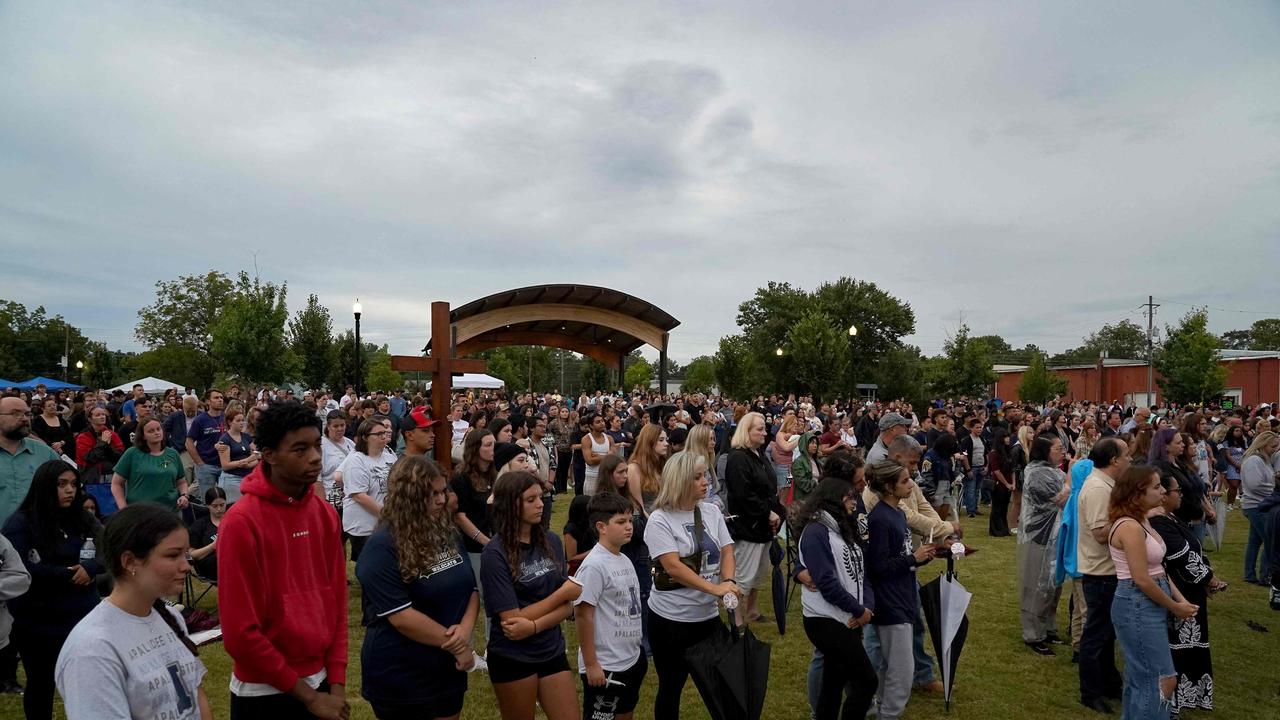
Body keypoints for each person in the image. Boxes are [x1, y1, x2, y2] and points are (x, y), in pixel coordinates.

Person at [218, 402, 349, 720]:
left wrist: (336, 686)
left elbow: (337, 604)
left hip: (320, 683)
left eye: (317, 444)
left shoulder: (325, 513)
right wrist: (309, 698)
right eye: (300, 449)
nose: (316, 457)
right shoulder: (241, 522)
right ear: (269, 455)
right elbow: (240, 634)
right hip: (264, 693)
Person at [54, 502, 212, 719]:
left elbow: (196, 695)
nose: (186, 565)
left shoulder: (171, 617)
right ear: (129, 562)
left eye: (185, 554)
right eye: (173, 555)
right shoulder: (92, 650)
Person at [355, 456, 479, 720]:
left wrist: (466, 631)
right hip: (401, 669)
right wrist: (457, 645)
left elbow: (470, 587)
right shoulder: (382, 547)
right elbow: (401, 616)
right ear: (408, 496)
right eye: (431, 493)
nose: (441, 500)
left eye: (443, 491)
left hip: (446, 664)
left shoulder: (444, 531)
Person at [2, 461, 104, 720]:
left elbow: (109, 547)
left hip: (82, 615)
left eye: (73, 484)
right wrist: (66, 574)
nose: (69, 490)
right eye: (61, 484)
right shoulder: (21, 523)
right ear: (45, 486)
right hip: (39, 619)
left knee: (88, 682)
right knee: (42, 683)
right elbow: (18, 568)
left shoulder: (82, 518)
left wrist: (91, 568)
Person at [644, 450, 737, 720]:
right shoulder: (659, 519)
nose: (705, 481)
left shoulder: (710, 511)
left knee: (724, 687)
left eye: (705, 475)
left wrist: (728, 582)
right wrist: (715, 589)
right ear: (680, 481)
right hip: (670, 621)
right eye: (697, 477)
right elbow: (673, 566)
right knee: (671, 687)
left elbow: (727, 549)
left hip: (707, 618)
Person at [480, 471, 578, 720]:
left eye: (541, 497)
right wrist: (561, 599)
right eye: (531, 499)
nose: (540, 504)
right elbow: (513, 621)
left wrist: (534, 625)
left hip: (551, 649)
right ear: (512, 504)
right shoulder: (495, 553)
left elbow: (568, 608)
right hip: (513, 657)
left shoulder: (551, 541)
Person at [1108, 465, 1198, 720]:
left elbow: (1159, 568)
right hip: (1137, 601)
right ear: (1138, 492)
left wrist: (1180, 599)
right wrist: (1174, 606)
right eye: (1156, 487)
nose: (1162, 491)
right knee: (1162, 680)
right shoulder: (1129, 526)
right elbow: (1141, 579)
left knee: (1142, 678)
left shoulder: (1142, 520)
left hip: (1147, 599)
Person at [799, 474, 877, 720]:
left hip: (849, 617)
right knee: (867, 680)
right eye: (849, 497)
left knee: (833, 684)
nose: (855, 502)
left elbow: (862, 573)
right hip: (826, 619)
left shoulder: (844, 528)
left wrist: (867, 608)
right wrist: (858, 610)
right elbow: (826, 582)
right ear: (833, 499)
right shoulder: (815, 532)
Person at [864, 459, 936, 720]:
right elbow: (879, 566)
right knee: (902, 669)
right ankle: (889, 713)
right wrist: (912, 559)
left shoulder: (897, 512)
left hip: (902, 595)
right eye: (905, 481)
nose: (911, 484)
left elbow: (901, 554)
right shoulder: (880, 518)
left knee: (888, 664)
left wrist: (920, 557)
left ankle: (879, 706)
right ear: (887, 486)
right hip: (890, 601)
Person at [1149, 469, 1224, 715]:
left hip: (1189, 589)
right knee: (1179, 647)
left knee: (1191, 645)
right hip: (1178, 590)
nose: (1180, 495)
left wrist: (1205, 577)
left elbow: (1192, 551)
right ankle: (1173, 699)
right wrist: (1209, 578)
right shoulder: (1157, 521)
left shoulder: (1169, 517)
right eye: (1176, 491)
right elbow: (1181, 555)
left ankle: (1188, 696)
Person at [573, 492, 646, 720]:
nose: (629, 527)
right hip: (606, 665)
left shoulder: (623, 559)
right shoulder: (594, 566)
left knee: (625, 712)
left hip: (631, 657)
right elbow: (583, 615)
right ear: (601, 527)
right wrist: (592, 663)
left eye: (630, 520)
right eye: (621, 522)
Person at [1076, 437, 1130, 715]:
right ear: (1113, 460)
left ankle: (1108, 683)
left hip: (1109, 572)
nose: (1130, 461)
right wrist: (1129, 517)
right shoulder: (1098, 488)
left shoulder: (1106, 485)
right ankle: (1090, 691)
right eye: (1126, 456)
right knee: (1097, 635)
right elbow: (1100, 534)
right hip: (1101, 573)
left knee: (1108, 634)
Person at [723, 411, 785, 626]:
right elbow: (743, 494)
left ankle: (751, 609)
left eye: (764, 428)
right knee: (743, 575)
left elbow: (768, 486)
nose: (764, 432)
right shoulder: (738, 457)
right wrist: (766, 512)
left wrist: (776, 511)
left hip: (764, 526)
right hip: (748, 526)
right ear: (746, 430)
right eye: (759, 429)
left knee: (759, 573)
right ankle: (736, 618)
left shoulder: (758, 454)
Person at [1018, 434, 1069, 655]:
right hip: (1040, 537)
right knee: (1037, 586)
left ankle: (1048, 627)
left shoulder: (1055, 471)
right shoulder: (1038, 473)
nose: (1063, 452)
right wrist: (1070, 482)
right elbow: (1059, 499)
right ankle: (1033, 633)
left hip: (1056, 535)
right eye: (1058, 449)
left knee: (1053, 583)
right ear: (1044, 451)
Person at [338, 418, 398, 563]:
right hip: (365, 525)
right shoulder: (356, 460)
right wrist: (387, 516)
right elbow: (359, 496)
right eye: (379, 434)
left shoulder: (390, 457)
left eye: (385, 432)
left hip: (386, 523)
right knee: (373, 565)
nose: (384, 436)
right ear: (365, 437)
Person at [111, 416, 189, 511]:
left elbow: (181, 481)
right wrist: (123, 507)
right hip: (139, 511)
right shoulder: (132, 453)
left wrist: (184, 495)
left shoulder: (173, 454)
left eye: (158, 429)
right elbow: (116, 483)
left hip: (170, 511)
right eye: (151, 431)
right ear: (143, 436)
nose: (156, 433)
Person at [1241, 430, 1278, 585]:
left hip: (1258, 504)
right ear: (1263, 445)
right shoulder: (1254, 461)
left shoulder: (1264, 460)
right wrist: (1274, 489)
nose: (1275, 449)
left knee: (1255, 541)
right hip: (1256, 505)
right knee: (1270, 541)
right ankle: (1265, 576)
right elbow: (1254, 484)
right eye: (1273, 446)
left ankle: (1250, 574)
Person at [185, 388, 226, 496]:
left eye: (221, 397)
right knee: (208, 499)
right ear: (208, 401)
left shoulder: (226, 418)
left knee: (226, 499)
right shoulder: (200, 419)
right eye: (216, 398)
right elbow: (189, 442)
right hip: (207, 465)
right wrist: (199, 463)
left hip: (225, 465)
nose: (220, 400)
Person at [215, 407, 258, 503]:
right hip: (231, 479)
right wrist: (243, 462)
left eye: (243, 420)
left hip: (247, 477)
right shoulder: (225, 440)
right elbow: (225, 465)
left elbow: (257, 455)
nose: (241, 423)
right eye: (238, 420)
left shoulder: (246, 437)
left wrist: (247, 463)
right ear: (230, 422)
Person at [75, 404, 124, 481]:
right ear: (89, 419)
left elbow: (120, 455)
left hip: (112, 474)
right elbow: (90, 458)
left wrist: (107, 447)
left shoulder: (111, 434)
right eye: (97, 415)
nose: (102, 417)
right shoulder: (83, 437)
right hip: (91, 477)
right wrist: (103, 443)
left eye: (103, 414)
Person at [626, 424, 667, 514]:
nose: (666, 443)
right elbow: (638, 508)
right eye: (661, 440)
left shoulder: (662, 465)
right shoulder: (633, 469)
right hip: (648, 522)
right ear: (649, 442)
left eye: (666, 440)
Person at [188, 486, 226, 582]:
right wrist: (213, 546)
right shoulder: (199, 525)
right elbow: (192, 554)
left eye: (222, 505)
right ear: (208, 505)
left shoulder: (233, 520)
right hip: (210, 565)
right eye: (215, 506)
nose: (219, 509)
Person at [320, 411, 354, 514]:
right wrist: (321, 505)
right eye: (336, 426)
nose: (340, 429)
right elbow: (317, 478)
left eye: (342, 425)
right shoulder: (321, 445)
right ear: (328, 426)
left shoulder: (350, 443)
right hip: (331, 499)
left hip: (350, 497)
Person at [167, 395, 201, 489]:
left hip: (200, 449)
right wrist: (171, 443)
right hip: (182, 449)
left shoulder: (202, 416)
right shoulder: (175, 416)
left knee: (199, 475)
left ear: (196, 408)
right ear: (183, 408)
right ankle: (186, 493)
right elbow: (164, 429)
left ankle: (192, 495)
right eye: (188, 411)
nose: (190, 413)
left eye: (193, 411)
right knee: (186, 471)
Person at [987, 427, 1015, 537]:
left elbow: (1012, 469)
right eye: (1005, 437)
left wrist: (1013, 483)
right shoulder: (994, 454)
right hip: (999, 484)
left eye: (1008, 436)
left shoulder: (1008, 452)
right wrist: (1007, 483)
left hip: (1008, 483)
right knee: (997, 507)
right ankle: (996, 529)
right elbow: (996, 471)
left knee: (1004, 507)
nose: (1008, 439)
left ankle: (1004, 528)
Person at [958, 417, 987, 518]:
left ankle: (975, 507)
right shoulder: (967, 440)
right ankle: (970, 510)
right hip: (972, 467)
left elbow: (986, 453)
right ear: (971, 428)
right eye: (977, 427)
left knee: (977, 489)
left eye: (980, 427)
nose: (979, 429)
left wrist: (986, 467)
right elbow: (965, 455)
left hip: (981, 467)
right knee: (970, 489)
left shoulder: (982, 439)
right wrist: (968, 469)